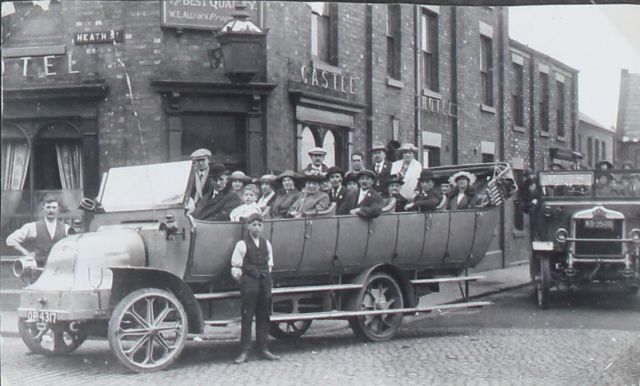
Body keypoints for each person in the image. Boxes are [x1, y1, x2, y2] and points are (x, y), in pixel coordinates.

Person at [230, 213, 280, 364]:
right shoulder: (242, 244)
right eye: (254, 225)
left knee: (264, 315)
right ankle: (244, 351)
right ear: (248, 226)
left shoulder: (266, 243)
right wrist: (244, 279)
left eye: (259, 225)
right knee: (247, 316)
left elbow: (270, 263)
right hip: (250, 283)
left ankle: (263, 349)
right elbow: (236, 265)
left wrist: (265, 276)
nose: (257, 228)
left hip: (264, 282)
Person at [6, 197, 71, 272]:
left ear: (58, 210)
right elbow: (10, 240)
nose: (51, 210)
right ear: (43, 209)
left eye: (54, 208)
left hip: (59, 272)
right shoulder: (33, 227)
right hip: (38, 271)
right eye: (48, 207)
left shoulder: (66, 229)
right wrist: (27, 253)